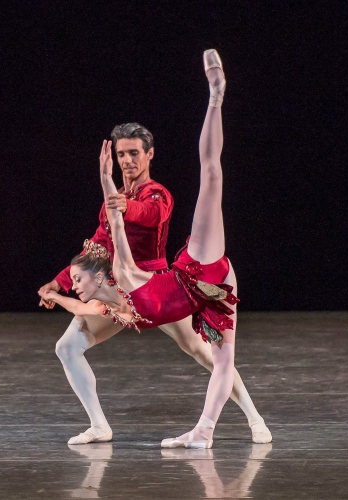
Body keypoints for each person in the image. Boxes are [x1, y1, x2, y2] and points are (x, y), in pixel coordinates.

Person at [39, 81, 271, 446]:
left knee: (203, 351)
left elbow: (152, 214)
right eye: (121, 155)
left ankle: (255, 418)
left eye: (134, 153)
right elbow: (97, 247)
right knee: (67, 347)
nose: (127, 161)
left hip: (157, 286)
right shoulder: (111, 201)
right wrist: (59, 282)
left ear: (149, 155)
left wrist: (125, 206)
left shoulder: (156, 193)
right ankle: (99, 424)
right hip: (119, 291)